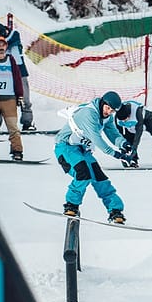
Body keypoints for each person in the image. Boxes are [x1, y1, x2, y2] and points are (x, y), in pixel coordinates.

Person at [54, 91, 135, 224]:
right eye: (108, 108)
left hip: (83, 149)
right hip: (65, 147)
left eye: (112, 110)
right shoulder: (89, 114)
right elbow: (97, 139)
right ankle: (71, 205)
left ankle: (115, 210)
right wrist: (116, 154)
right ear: (103, 103)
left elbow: (112, 133)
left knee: (100, 178)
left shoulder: (107, 117)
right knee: (83, 174)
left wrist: (123, 143)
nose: (109, 112)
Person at [0, 17, 35, 131]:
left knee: (25, 99)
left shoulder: (14, 34)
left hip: (20, 71)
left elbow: (7, 41)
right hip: (5, 73)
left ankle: (27, 123)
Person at [114, 100, 152, 168]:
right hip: (131, 125)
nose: (124, 121)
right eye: (122, 121)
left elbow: (138, 133)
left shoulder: (137, 111)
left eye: (125, 119)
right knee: (128, 140)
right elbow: (119, 135)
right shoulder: (117, 118)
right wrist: (123, 152)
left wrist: (134, 148)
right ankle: (132, 160)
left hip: (146, 120)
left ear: (129, 115)